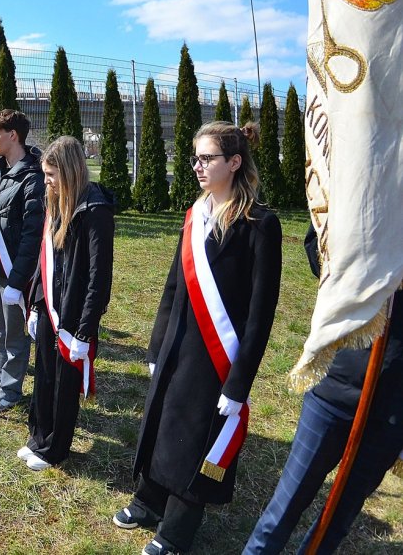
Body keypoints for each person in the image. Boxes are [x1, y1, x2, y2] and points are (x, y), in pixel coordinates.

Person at [115, 121, 281, 555]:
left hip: (216, 356)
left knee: (195, 435)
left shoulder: (260, 225)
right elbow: (174, 285)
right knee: (161, 424)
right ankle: (148, 500)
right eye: (195, 158)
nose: (197, 166)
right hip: (177, 344)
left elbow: (261, 315)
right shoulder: (196, 213)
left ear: (234, 162)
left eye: (206, 158)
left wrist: (239, 383)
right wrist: (156, 344)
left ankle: (175, 531)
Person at [242, 229, 403, 555]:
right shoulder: (371, 187)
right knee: (285, 506)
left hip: (393, 409)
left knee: (337, 521)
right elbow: (318, 246)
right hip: (336, 385)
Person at [17, 136, 115, 471]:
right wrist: (35, 304)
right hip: (49, 306)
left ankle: (55, 448)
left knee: (64, 382)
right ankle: (38, 437)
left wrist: (86, 330)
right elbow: (45, 264)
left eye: (51, 174)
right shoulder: (55, 204)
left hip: (73, 312)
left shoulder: (95, 209)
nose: (46, 181)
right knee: (44, 373)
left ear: (70, 172)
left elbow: (99, 277)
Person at [0, 109, 46, 413]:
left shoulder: (32, 177)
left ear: (12, 136)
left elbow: (33, 235)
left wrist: (18, 281)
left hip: (15, 272)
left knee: (15, 336)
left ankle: (9, 390)